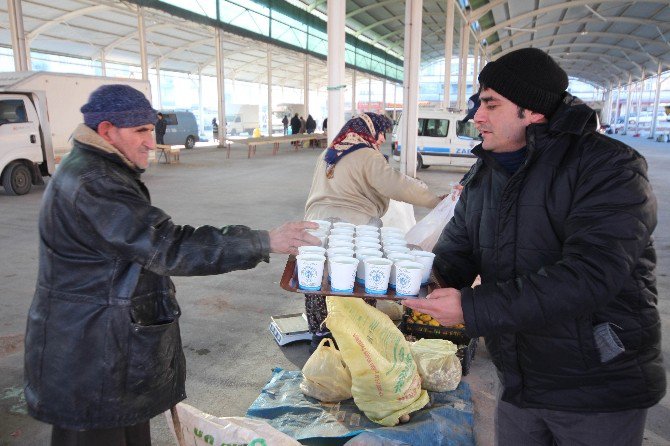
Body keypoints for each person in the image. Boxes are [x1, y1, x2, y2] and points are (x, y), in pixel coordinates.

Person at [23, 84, 320, 446]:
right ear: (106, 131)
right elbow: (167, 246)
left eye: (152, 129)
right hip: (92, 356)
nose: (151, 141)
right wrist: (262, 241)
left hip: (99, 347)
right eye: (141, 131)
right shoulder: (95, 182)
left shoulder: (98, 170)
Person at [404, 48, 665, 446]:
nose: (477, 117)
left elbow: (590, 276)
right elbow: (456, 253)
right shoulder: (487, 170)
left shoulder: (609, 168)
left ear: (533, 111)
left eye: (491, 104)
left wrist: (470, 307)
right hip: (520, 379)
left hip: (596, 384)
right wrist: (399, 281)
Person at [303, 112, 443, 350]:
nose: (381, 140)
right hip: (355, 229)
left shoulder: (329, 153)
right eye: (382, 134)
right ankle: (356, 339)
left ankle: (321, 336)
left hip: (317, 228)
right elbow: (396, 184)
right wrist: (435, 201)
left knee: (318, 282)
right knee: (357, 283)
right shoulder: (367, 155)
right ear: (371, 132)